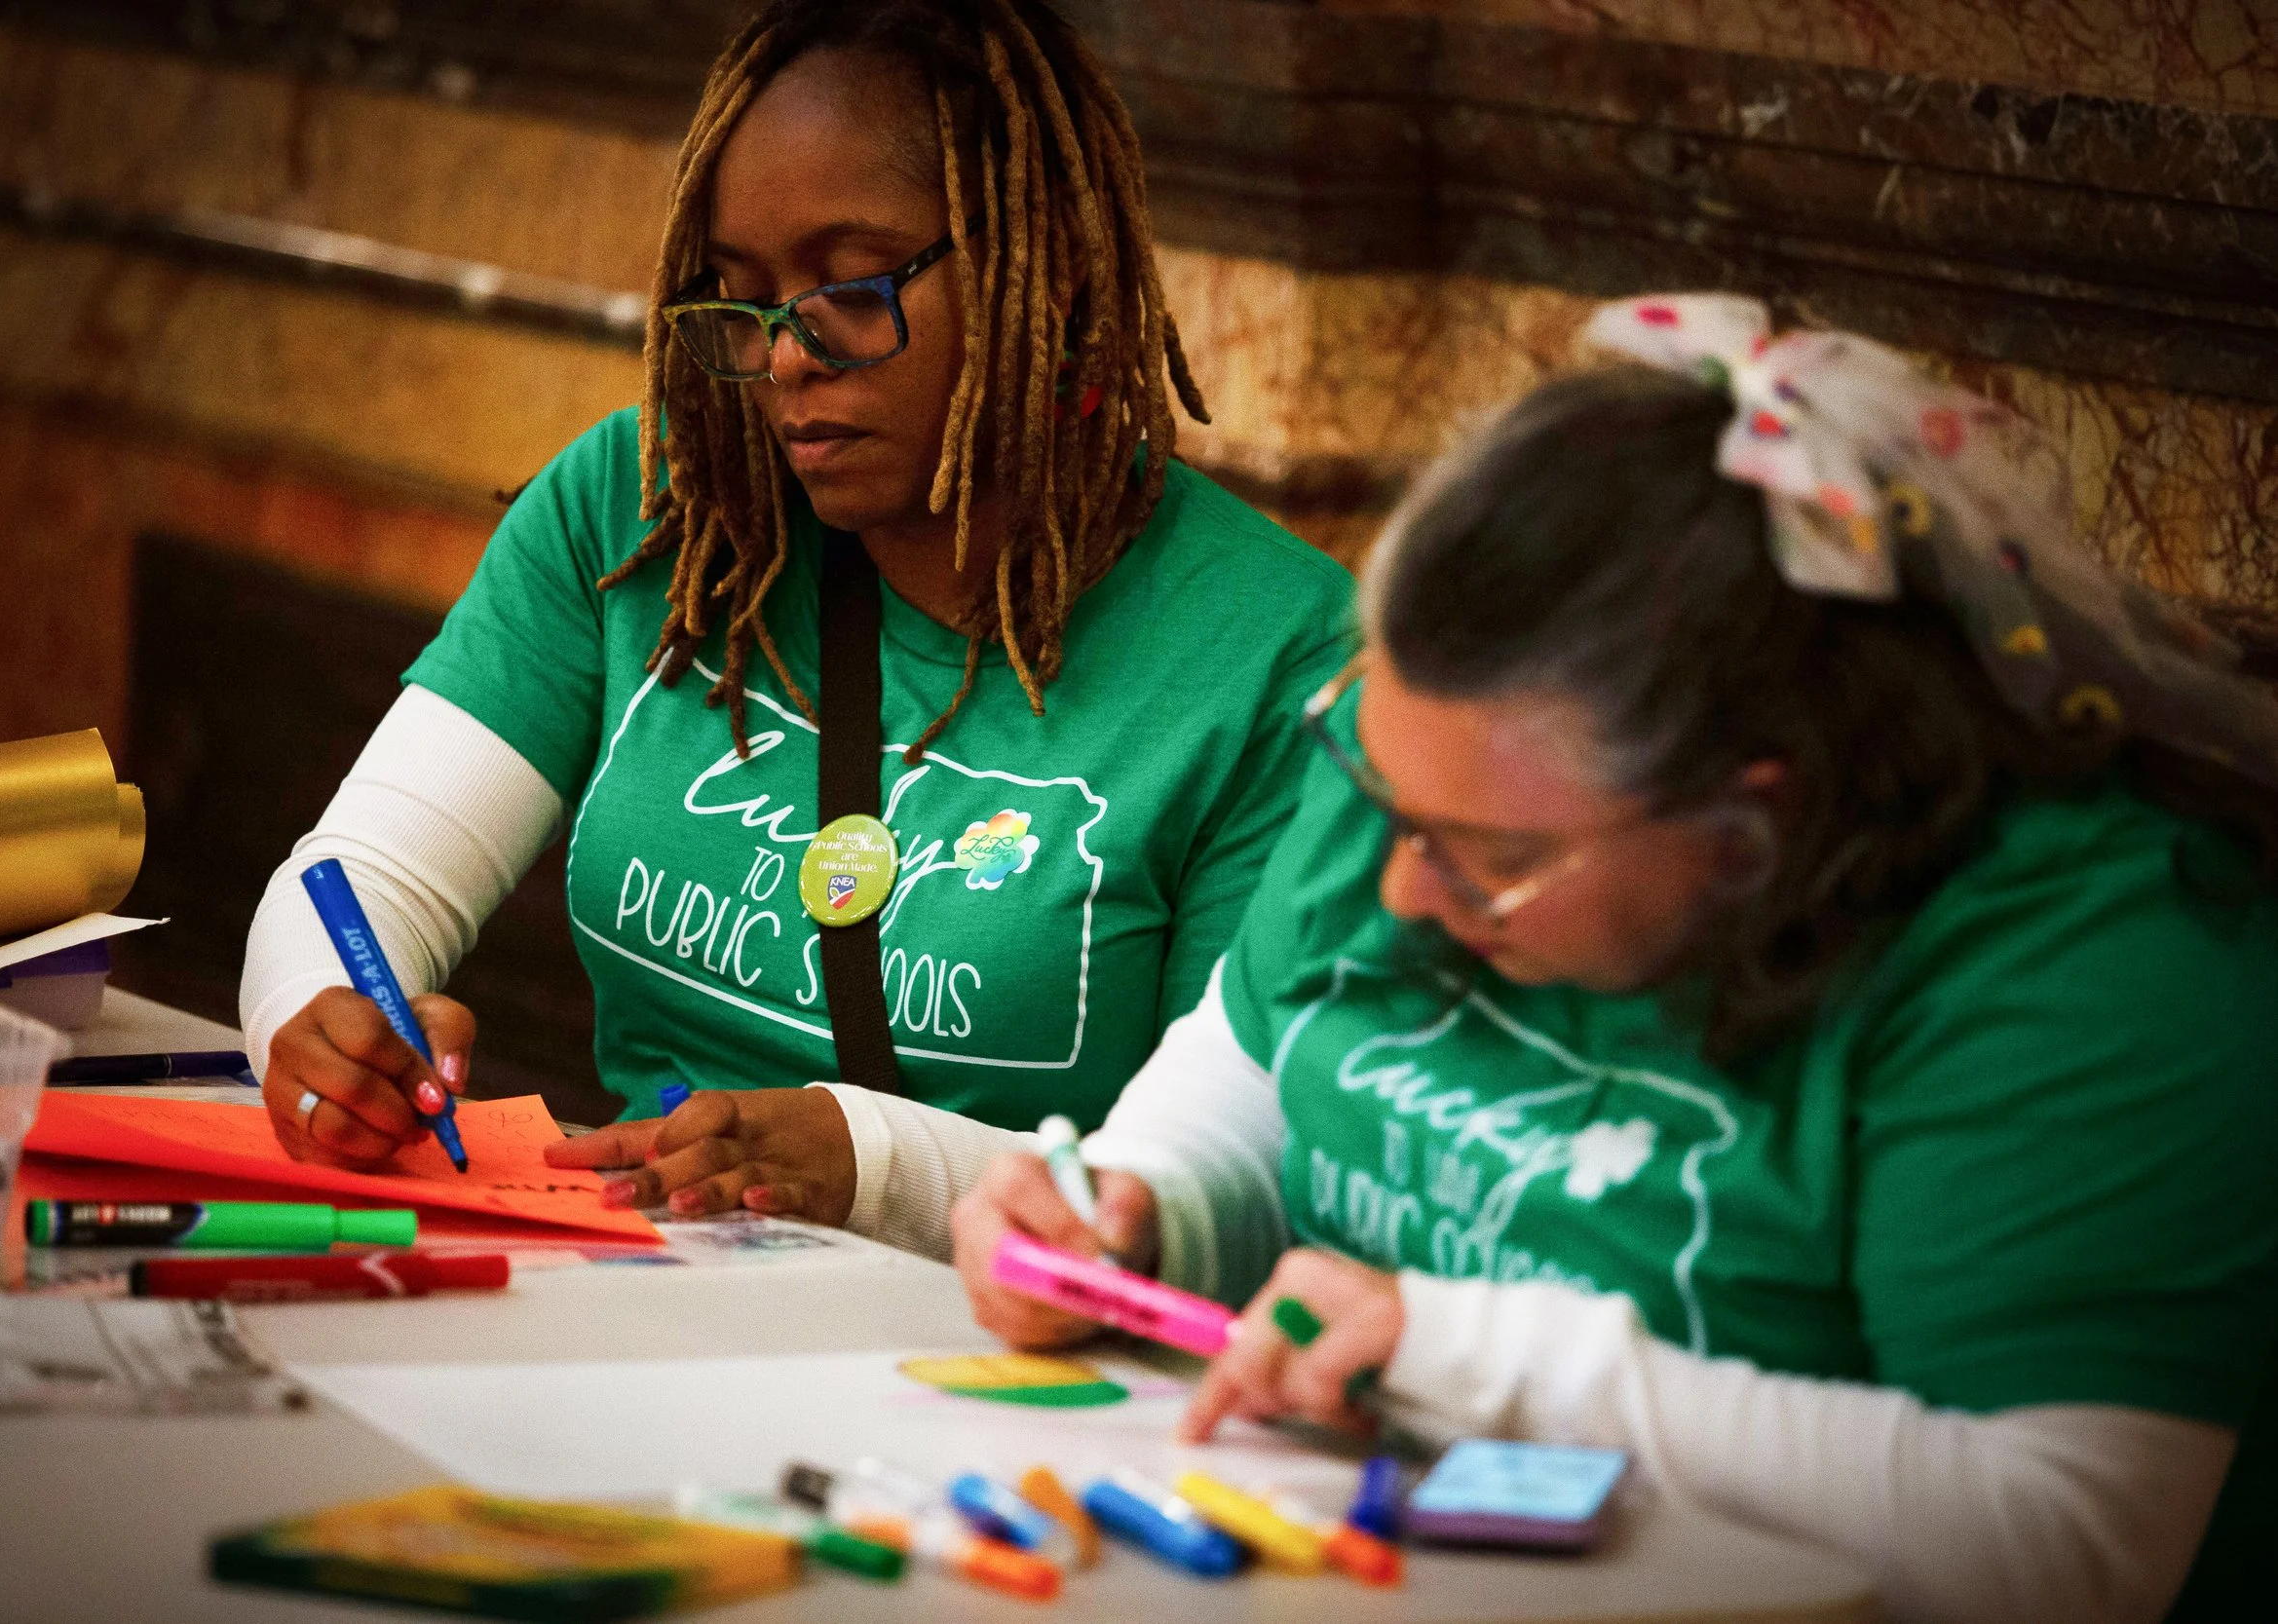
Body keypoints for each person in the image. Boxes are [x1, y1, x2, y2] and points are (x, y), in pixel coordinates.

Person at [952, 294, 2278, 1623]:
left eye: (1490, 856)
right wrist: (1134, 1209)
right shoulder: (1435, 769)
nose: (1398, 887)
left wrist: (1478, 1357)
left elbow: (2063, 1547)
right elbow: (1263, 1074)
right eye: (1384, 800)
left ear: (1751, 824)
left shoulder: (2080, 969)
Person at [236, 0, 1352, 1260]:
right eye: (745, 299)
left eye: (853, 287)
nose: (786, 360)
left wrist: (867, 1161)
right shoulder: (652, 510)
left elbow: (1229, 1188)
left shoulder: (1276, 653)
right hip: (634, 1289)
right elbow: (356, 880)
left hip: (1002, 1344)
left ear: (1051, 269)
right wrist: (324, 1025)